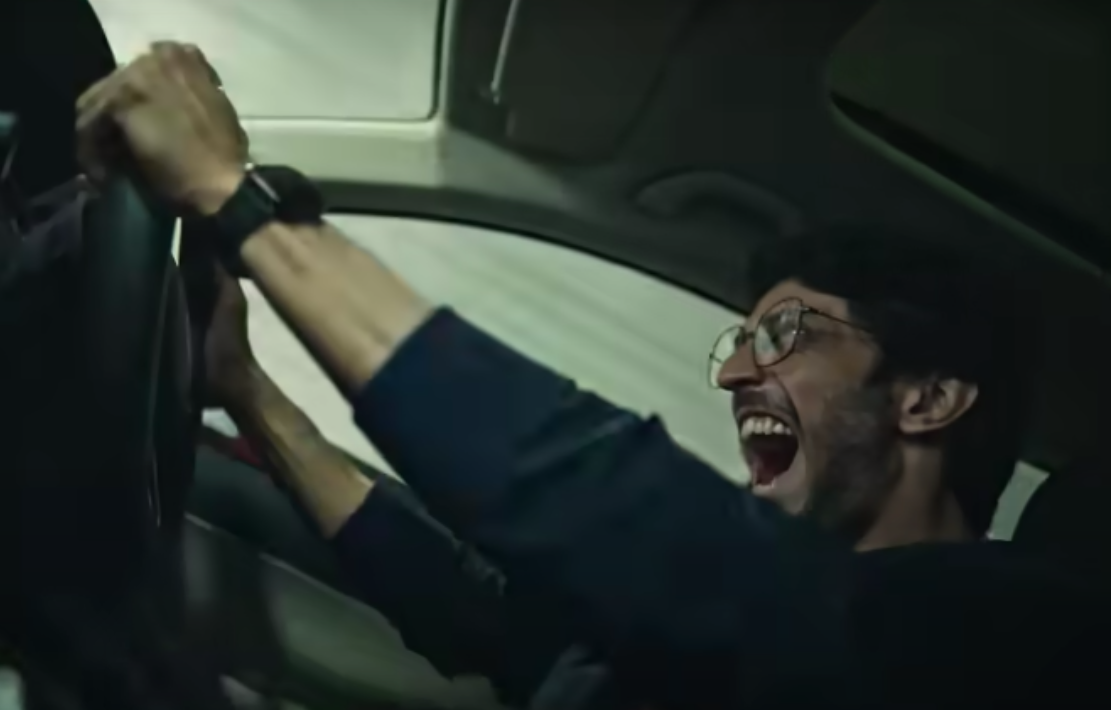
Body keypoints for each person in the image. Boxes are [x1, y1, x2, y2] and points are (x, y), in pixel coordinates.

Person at [76, 42, 1107, 709]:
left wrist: (234, 197)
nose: (736, 375)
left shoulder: (1019, 634)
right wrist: (246, 389)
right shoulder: (735, 638)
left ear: (927, 398)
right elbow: (476, 610)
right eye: (739, 342)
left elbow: (630, 516)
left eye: (786, 333)